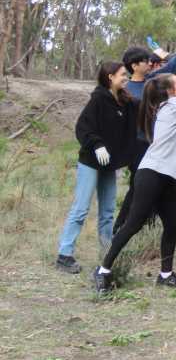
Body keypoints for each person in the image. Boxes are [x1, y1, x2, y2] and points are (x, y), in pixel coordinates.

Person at [94, 74, 176, 295]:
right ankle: (103, 270)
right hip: (152, 173)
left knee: (172, 224)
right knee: (133, 223)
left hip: (165, 176)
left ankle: (165, 275)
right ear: (169, 90)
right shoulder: (173, 105)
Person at [114, 21, 176, 234]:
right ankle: (121, 228)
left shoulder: (152, 82)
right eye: (145, 60)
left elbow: (174, 65)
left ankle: (144, 225)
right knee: (137, 190)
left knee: (155, 188)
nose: (150, 62)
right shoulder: (125, 90)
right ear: (133, 65)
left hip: (154, 144)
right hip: (136, 146)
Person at [55, 62, 138, 274]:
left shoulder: (126, 101)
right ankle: (64, 254)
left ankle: (106, 256)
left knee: (108, 211)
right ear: (110, 77)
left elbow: (147, 109)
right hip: (91, 162)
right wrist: (96, 144)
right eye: (122, 74)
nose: (126, 77)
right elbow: (83, 127)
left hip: (109, 165)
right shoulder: (98, 99)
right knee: (81, 209)